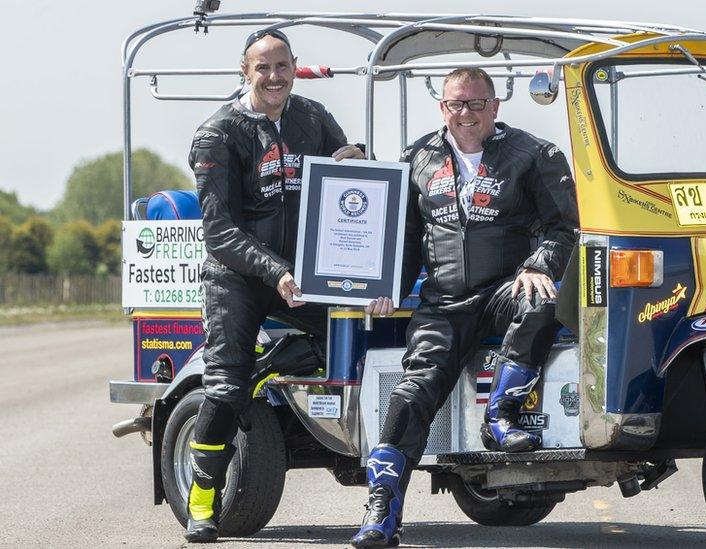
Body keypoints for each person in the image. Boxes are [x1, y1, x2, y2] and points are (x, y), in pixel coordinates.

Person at [351, 68, 579, 548]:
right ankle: (381, 510)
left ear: (495, 107)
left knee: (541, 300)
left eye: (477, 104)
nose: (467, 114)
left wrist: (539, 264)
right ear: (443, 108)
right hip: (443, 302)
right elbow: (405, 239)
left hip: (504, 288)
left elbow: (563, 227)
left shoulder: (534, 155)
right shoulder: (418, 158)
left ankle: (502, 416)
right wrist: (384, 283)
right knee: (411, 393)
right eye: (457, 104)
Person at [185, 28, 364, 543]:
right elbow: (218, 232)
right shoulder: (217, 133)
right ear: (245, 72)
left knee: (351, 341)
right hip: (237, 277)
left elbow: (348, 176)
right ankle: (202, 502)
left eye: (282, 65)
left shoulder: (313, 117)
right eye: (262, 67)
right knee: (224, 388)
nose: (274, 76)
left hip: (302, 274)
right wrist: (275, 271)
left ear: (294, 67)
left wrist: (356, 161)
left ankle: (266, 374)